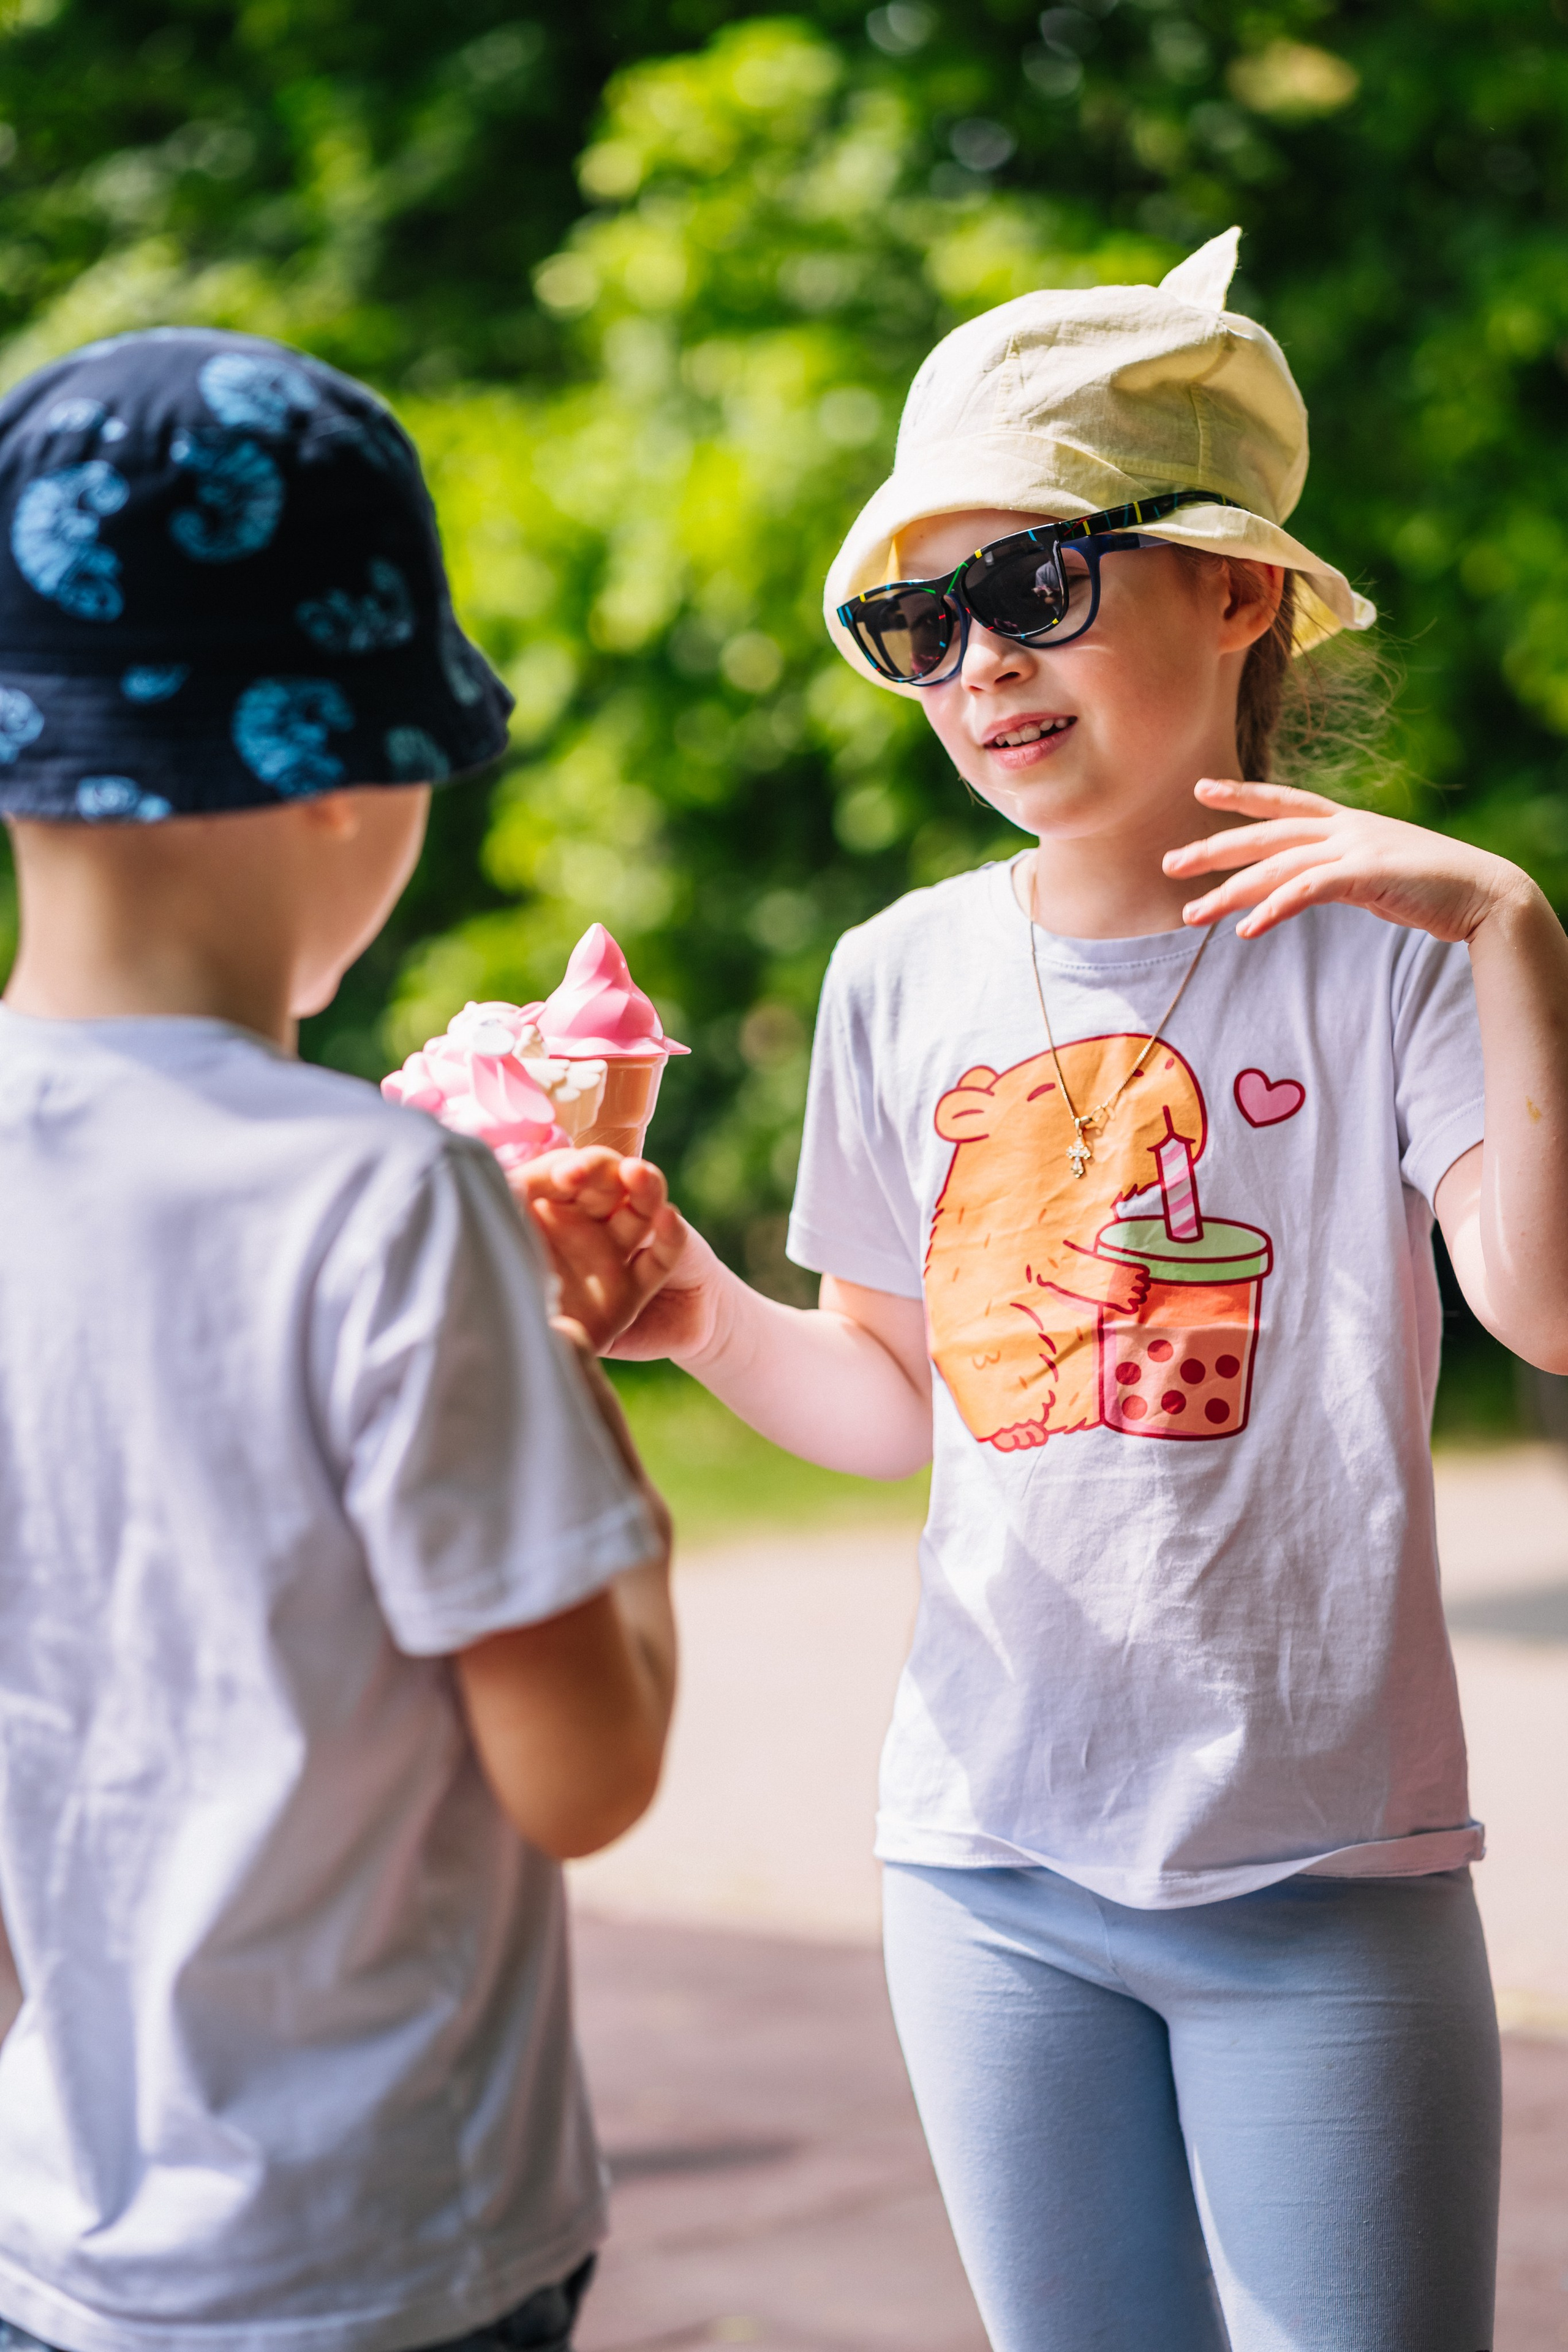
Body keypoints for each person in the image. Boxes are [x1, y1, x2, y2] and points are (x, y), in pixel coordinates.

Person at [597, 229, 1568, 2348]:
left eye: (1030, 590)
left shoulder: (1390, 946)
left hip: (1329, 1875)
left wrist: (1517, 938)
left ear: (1237, 590)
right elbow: (892, 1401)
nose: (977, 669)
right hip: (987, 1869)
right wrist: (686, 1307)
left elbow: (1548, 1310)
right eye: (913, 626)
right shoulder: (899, 975)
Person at [0, 328, 677, 2352]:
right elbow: (588, 1768)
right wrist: (567, 1362)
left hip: (54, 2249)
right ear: (348, 778)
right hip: (392, 2259)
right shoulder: (385, 1201)